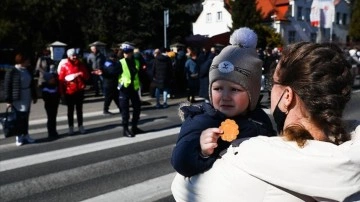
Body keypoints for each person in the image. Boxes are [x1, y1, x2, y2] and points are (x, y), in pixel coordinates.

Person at [171, 42, 360, 202]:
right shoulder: (351, 153)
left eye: (272, 85)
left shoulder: (244, 160)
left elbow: (182, 187)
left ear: (287, 97)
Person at [171, 27, 276, 177]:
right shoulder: (202, 121)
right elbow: (180, 161)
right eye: (218, 88)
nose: (225, 96)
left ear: (252, 93)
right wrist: (202, 151)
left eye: (234, 90)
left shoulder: (259, 118)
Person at [4, 52, 38, 146]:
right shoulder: (12, 71)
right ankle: (18, 136)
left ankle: (26, 134)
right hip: (17, 97)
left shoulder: (28, 70)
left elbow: (32, 84)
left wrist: (34, 96)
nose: (29, 62)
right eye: (27, 60)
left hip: (27, 95)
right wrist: (8, 100)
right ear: (21, 61)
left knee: (25, 117)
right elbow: (7, 87)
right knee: (17, 117)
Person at [58, 48, 90, 135]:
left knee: (79, 110)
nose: (75, 57)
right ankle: (70, 127)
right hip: (69, 92)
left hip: (79, 90)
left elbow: (87, 76)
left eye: (75, 55)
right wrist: (61, 93)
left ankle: (80, 126)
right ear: (69, 56)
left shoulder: (81, 65)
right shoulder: (64, 66)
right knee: (70, 110)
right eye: (73, 55)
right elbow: (60, 80)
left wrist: (83, 75)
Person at [118, 42, 145, 137]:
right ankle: (125, 130)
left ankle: (134, 127)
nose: (126, 54)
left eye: (128, 52)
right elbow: (115, 75)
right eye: (125, 52)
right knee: (125, 111)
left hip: (134, 88)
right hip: (124, 88)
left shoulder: (136, 61)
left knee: (137, 108)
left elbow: (138, 73)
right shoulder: (120, 62)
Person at [35, 48, 60, 139]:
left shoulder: (51, 60)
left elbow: (55, 70)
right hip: (45, 81)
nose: (48, 54)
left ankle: (54, 131)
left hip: (53, 84)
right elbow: (38, 68)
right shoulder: (41, 59)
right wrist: (46, 75)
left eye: (49, 53)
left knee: (54, 113)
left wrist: (53, 75)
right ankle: (51, 132)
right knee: (50, 112)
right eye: (47, 53)